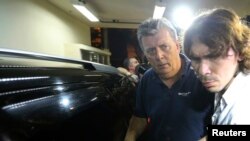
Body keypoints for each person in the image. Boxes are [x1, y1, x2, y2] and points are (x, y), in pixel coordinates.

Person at [124, 17, 214, 141]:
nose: (159, 56)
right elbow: (140, 117)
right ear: (145, 55)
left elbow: (228, 126)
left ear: (177, 46)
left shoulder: (202, 75)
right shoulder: (146, 80)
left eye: (164, 46)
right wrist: (130, 137)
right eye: (151, 51)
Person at [183, 8, 250, 126]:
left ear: (240, 52)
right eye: (196, 59)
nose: (203, 71)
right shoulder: (227, 85)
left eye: (214, 57)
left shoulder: (241, 114)